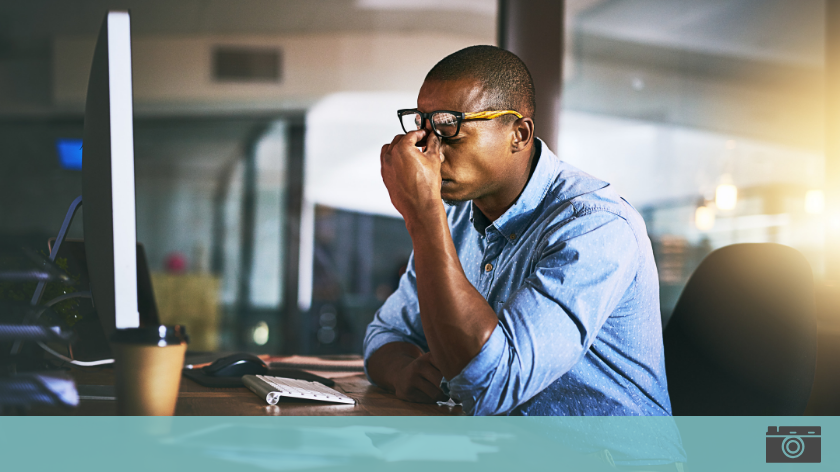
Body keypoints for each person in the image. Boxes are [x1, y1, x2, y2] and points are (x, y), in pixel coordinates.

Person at [363, 45, 672, 416]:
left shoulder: (595, 225)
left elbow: (492, 383)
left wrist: (423, 215)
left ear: (519, 134)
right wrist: (404, 372)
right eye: (423, 128)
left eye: (450, 130)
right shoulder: (459, 217)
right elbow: (385, 334)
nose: (429, 152)